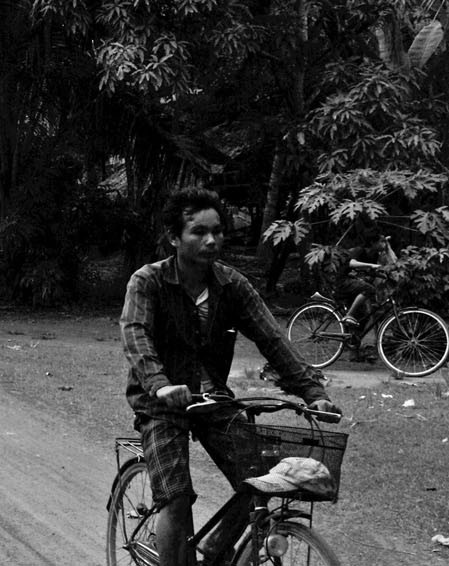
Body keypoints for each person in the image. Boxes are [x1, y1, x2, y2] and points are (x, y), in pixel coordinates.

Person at [120, 189, 341, 566]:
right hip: (161, 405)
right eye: (199, 231)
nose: (211, 240)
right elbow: (135, 334)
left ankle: (214, 551)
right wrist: (160, 385)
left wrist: (312, 392)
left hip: (214, 401)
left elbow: (272, 338)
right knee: (176, 497)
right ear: (174, 237)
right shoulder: (148, 281)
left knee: (263, 481)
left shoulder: (232, 285)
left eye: (218, 231)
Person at [339, 235, 396, 330]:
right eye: (381, 241)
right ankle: (348, 315)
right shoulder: (359, 250)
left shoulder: (374, 255)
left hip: (355, 283)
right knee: (369, 289)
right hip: (343, 280)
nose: (384, 244)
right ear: (373, 243)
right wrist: (371, 265)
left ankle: (353, 337)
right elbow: (351, 263)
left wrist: (384, 275)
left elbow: (368, 271)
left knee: (364, 316)